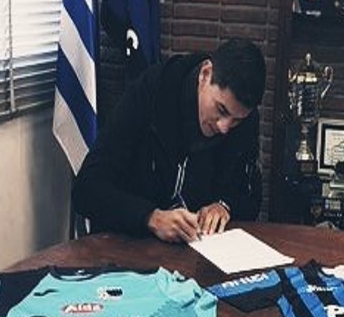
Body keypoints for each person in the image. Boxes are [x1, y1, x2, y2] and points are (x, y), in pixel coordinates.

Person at [73, 39, 266, 243]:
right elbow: (86, 189)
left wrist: (224, 205)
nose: (224, 127)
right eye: (221, 110)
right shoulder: (152, 91)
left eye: (236, 120)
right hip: (129, 244)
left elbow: (250, 198)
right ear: (205, 74)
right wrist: (150, 217)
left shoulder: (244, 119)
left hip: (196, 250)